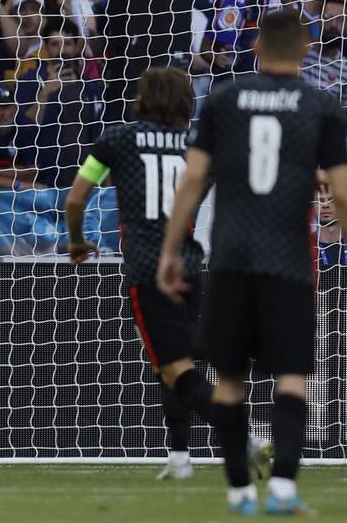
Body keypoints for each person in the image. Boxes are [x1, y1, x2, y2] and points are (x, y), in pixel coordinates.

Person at [158, 9, 347, 517]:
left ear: (256, 47)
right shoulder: (320, 105)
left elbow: (191, 181)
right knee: (291, 378)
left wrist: (171, 249)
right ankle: (282, 491)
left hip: (231, 258)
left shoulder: (224, 99)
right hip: (288, 263)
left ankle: (238, 494)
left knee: (231, 380)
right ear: (305, 50)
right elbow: (343, 192)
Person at [65, 65, 268, 481]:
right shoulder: (198, 145)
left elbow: (74, 200)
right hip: (192, 265)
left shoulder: (116, 140)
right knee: (172, 365)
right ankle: (179, 458)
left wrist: (75, 242)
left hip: (148, 268)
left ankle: (244, 436)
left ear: (144, 97)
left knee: (178, 370)